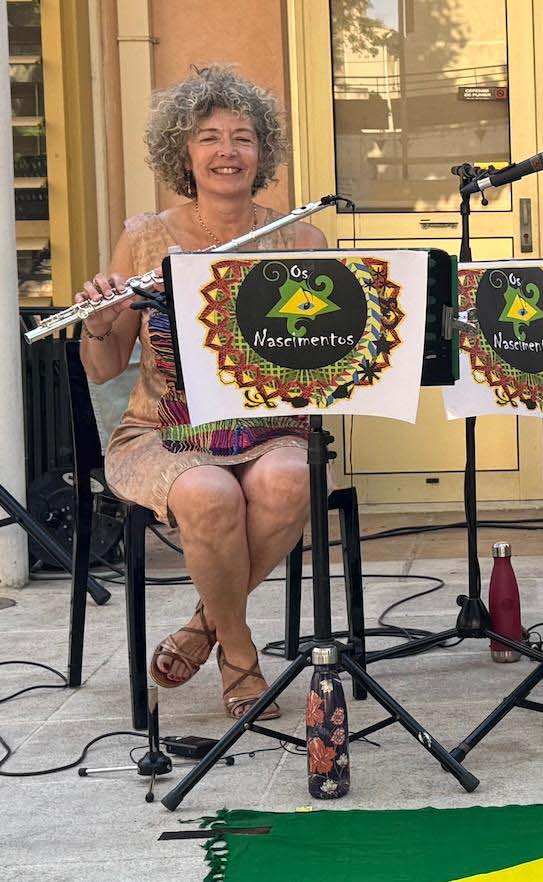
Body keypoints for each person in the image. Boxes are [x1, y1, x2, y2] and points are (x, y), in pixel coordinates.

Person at [76, 66, 327, 721]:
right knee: (208, 491)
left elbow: (326, 358)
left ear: (261, 152)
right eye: (209, 137)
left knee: (288, 482)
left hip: (270, 428)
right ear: (182, 154)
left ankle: (201, 626)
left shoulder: (303, 239)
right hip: (163, 432)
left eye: (243, 137)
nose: (227, 152)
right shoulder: (146, 238)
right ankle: (239, 652)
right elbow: (105, 369)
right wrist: (100, 323)